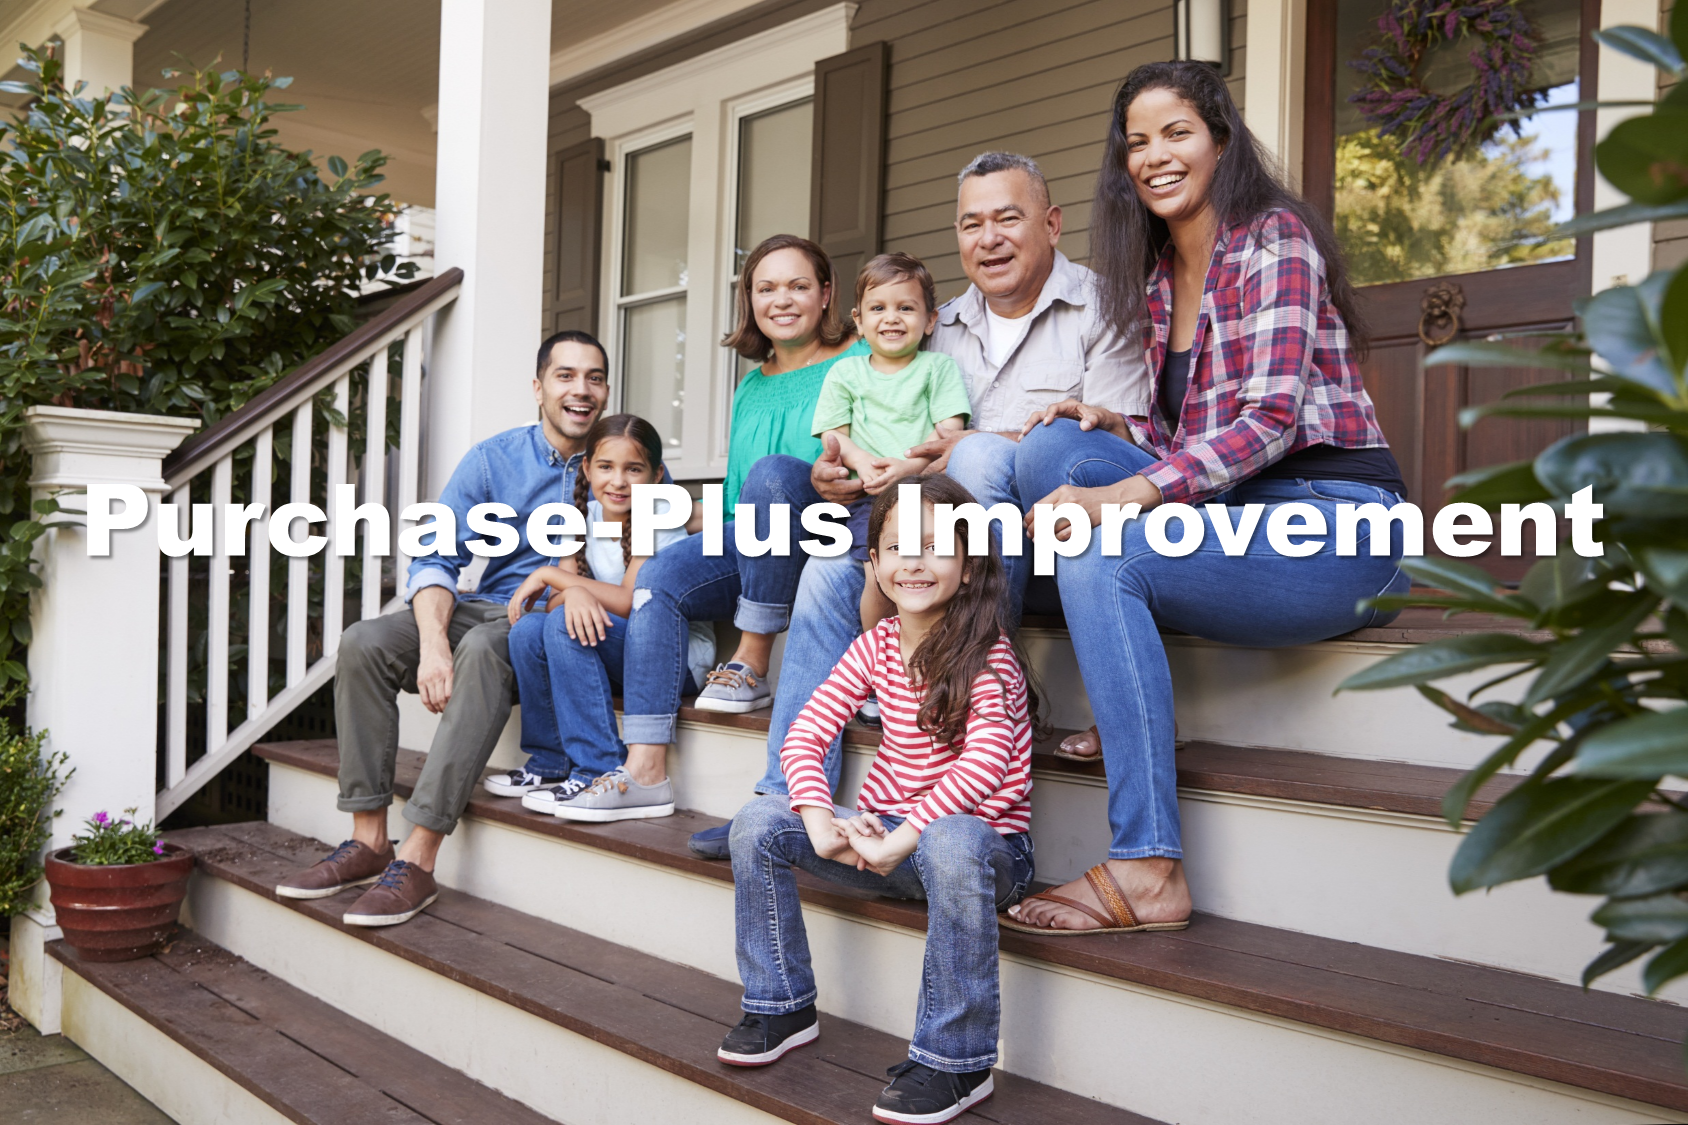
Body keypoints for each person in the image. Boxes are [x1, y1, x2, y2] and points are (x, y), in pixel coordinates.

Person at [1001, 62, 1409, 935]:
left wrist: (1132, 487)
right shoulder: (1154, 279)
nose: (1153, 156)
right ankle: (1119, 698)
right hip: (1231, 518)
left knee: (1102, 554)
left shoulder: (1274, 240)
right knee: (1050, 453)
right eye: (1136, 142)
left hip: (1331, 522)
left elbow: (1267, 422)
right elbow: (1193, 450)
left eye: (1176, 132)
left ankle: (1148, 865)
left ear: (1221, 139)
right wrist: (1109, 424)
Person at [689, 152, 1148, 859]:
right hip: (922, 544)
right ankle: (781, 799)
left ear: (1052, 225)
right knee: (827, 574)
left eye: (1008, 218)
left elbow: (1114, 440)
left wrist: (962, 454)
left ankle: (977, 668)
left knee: (984, 457)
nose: (988, 237)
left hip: (1045, 545)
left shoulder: (1103, 305)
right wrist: (839, 470)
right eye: (971, 223)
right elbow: (889, 414)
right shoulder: (942, 324)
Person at [718, 476, 1035, 1125]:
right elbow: (806, 731)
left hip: (980, 851)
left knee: (949, 837)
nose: (914, 561)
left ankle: (956, 1060)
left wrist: (903, 834)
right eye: (897, 546)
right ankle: (780, 1005)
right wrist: (819, 817)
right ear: (875, 562)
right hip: (887, 842)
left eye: (935, 547)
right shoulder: (875, 645)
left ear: (970, 562)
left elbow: (982, 765)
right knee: (758, 821)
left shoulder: (990, 656)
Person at [274, 331, 611, 927]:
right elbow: (435, 557)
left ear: (606, 391)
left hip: (541, 620)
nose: (580, 390)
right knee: (364, 641)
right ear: (538, 388)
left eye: (594, 378)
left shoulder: (617, 461)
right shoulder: (493, 459)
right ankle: (369, 838)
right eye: (565, 376)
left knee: (483, 645)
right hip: (480, 604)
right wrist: (432, 645)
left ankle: (420, 854)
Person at [621, 236, 864, 764]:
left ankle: (751, 659)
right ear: (749, 301)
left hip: (835, 530)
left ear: (825, 295)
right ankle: (645, 765)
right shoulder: (750, 387)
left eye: (799, 286)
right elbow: (736, 504)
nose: (782, 300)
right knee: (658, 577)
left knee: (774, 473)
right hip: (756, 542)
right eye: (766, 288)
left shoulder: (862, 359)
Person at [504, 414, 714, 821]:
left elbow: (628, 601)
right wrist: (571, 590)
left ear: (655, 476)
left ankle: (598, 766)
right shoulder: (579, 517)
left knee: (564, 624)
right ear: (586, 468)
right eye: (605, 467)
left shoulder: (661, 518)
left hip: (673, 660)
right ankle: (551, 761)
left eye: (633, 469)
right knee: (528, 629)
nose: (618, 481)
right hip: (620, 646)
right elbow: (555, 605)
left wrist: (555, 578)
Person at [811, 252, 970, 633]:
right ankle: (879, 662)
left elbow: (948, 430)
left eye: (906, 307)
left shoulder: (938, 368)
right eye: (878, 307)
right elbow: (834, 434)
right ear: (859, 321)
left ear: (931, 320)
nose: (892, 317)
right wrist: (863, 462)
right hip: (870, 496)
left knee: (935, 578)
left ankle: (931, 655)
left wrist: (909, 467)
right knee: (881, 578)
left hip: (927, 493)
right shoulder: (845, 373)